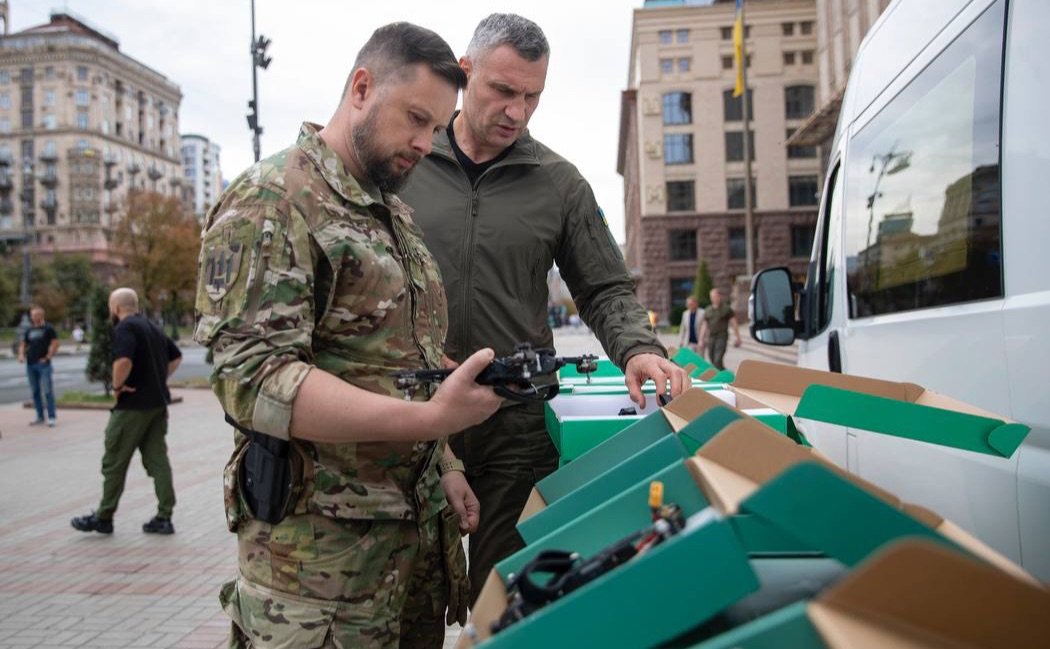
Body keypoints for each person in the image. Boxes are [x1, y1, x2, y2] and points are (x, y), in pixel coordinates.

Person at [193, 23, 503, 649]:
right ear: (361, 88)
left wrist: (442, 457)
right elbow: (254, 381)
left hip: (407, 560)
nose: (425, 143)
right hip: (319, 580)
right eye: (415, 118)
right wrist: (429, 422)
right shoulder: (273, 201)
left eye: (437, 129)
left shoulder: (392, 213)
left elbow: (399, 361)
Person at [399, 13, 690, 604]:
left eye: (532, 96)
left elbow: (605, 287)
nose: (517, 111)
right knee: (409, 607)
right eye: (503, 91)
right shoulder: (405, 163)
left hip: (517, 427)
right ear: (465, 72)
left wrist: (638, 348)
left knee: (507, 600)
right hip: (412, 420)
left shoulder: (559, 183)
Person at [71, 288, 182, 535]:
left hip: (132, 406)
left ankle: (104, 516)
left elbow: (123, 361)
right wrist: (157, 380)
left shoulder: (126, 328)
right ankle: (165, 516)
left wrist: (117, 386)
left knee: (114, 461)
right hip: (157, 405)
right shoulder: (151, 326)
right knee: (158, 460)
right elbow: (175, 357)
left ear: (115, 307)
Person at [17, 305, 59, 427]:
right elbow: (23, 344)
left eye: (37, 315)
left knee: (47, 391)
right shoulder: (29, 330)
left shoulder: (48, 328)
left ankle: (51, 417)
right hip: (31, 364)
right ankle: (40, 416)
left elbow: (55, 343)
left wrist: (48, 357)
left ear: (42, 315)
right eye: (33, 315)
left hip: (44, 364)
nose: (34, 317)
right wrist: (21, 355)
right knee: (35, 391)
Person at [699, 288, 742, 371]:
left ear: (719, 296)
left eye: (715, 296)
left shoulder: (726, 309)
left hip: (721, 337)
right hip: (711, 337)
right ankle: (723, 373)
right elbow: (704, 325)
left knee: (717, 359)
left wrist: (738, 337)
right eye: (712, 297)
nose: (713, 298)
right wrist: (701, 339)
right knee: (712, 358)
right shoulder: (708, 310)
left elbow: (734, 323)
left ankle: (720, 378)